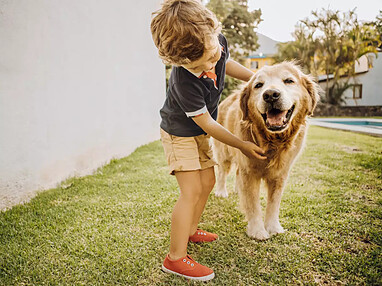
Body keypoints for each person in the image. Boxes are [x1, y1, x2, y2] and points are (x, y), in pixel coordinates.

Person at [150, 0, 266, 281]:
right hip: (180, 134)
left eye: (214, 54)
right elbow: (209, 124)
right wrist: (241, 144)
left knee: (209, 182)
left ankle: (190, 230)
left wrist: (257, 79)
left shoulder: (214, 42)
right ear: (180, 62)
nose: (213, 62)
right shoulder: (183, 82)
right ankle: (175, 258)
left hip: (199, 131)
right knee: (190, 191)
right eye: (204, 64)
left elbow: (227, 61)